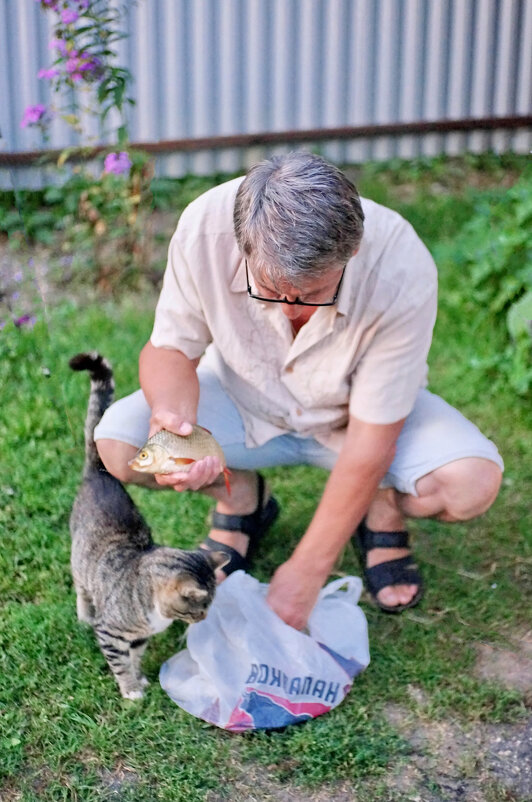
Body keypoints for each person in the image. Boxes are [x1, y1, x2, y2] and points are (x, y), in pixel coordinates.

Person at [94, 150, 503, 630]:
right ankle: (242, 499)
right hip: (243, 401)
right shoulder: (205, 228)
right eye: (269, 288)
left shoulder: (400, 265)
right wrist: (175, 423)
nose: (289, 310)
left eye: (311, 294)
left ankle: (382, 509)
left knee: (470, 484)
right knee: (119, 445)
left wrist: (307, 570)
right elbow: (169, 349)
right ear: (243, 244)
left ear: (350, 252)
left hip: (353, 422)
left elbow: (373, 440)